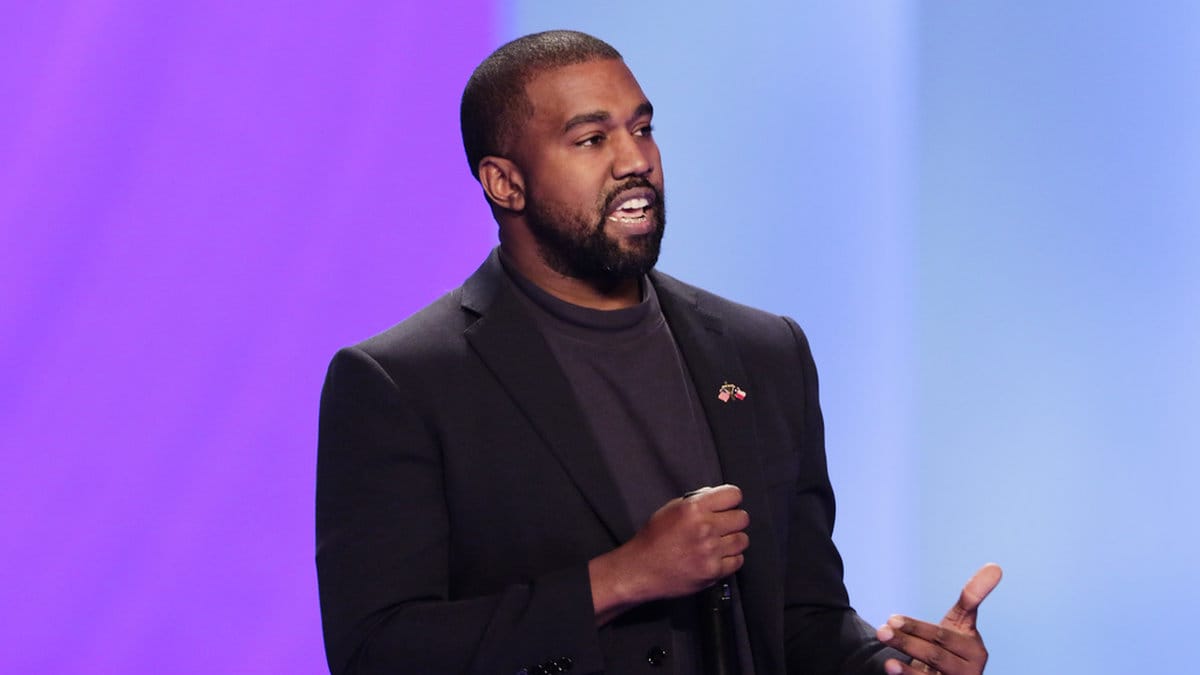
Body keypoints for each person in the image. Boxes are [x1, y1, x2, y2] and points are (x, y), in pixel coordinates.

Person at [316, 29, 1001, 675]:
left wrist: (888, 665)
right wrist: (621, 578)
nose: (636, 160)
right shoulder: (402, 383)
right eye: (591, 139)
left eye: (642, 128)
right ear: (505, 183)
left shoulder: (765, 352)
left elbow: (798, 618)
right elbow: (378, 651)